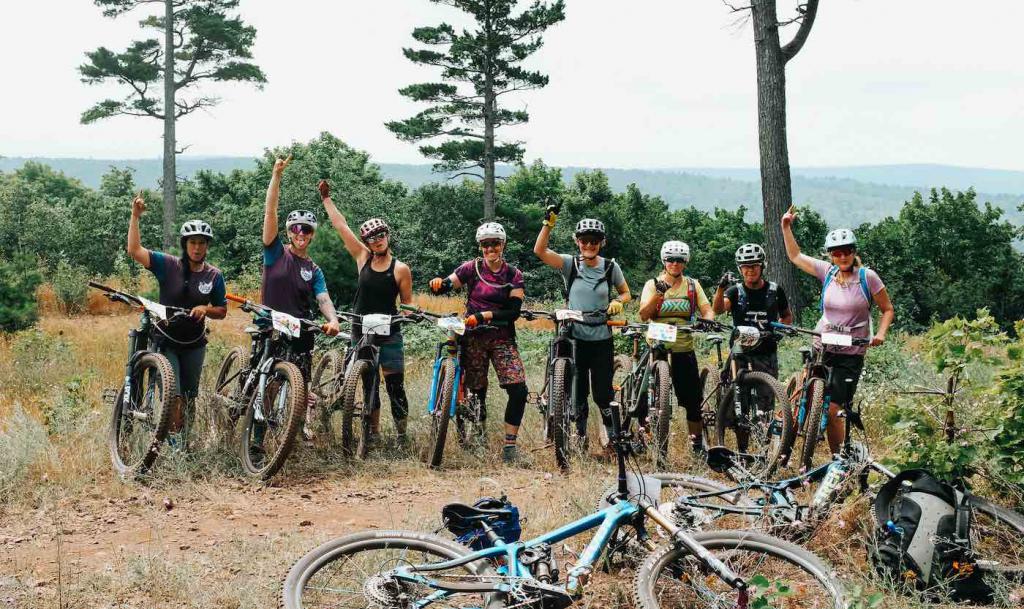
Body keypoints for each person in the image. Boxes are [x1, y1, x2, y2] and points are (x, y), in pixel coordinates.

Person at [781, 205, 895, 455]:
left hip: (851, 352)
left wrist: (880, 334)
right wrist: (786, 227)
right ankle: (791, 427)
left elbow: (887, 309)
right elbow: (795, 257)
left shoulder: (868, 277)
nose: (842, 257)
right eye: (837, 253)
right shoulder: (828, 272)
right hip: (823, 343)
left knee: (833, 409)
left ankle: (837, 458)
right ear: (831, 255)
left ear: (854, 253)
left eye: (847, 252)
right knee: (809, 394)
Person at [319, 179, 413, 446]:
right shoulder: (362, 258)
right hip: (361, 327)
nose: (377, 240)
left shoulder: (401, 269)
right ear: (367, 242)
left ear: (388, 236)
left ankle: (401, 435)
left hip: (389, 330)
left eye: (381, 235)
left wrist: (409, 313)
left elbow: (406, 303)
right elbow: (341, 227)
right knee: (369, 382)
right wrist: (327, 200)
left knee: (395, 385)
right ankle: (372, 434)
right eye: (372, 238)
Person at [126, 192, 227, 441]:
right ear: (185, 244)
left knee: (190, 397)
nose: (197, 247)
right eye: (192, 242)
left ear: (207, 246)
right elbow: (134, 250)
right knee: (175, 395)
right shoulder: (168, 265)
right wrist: (135, 217)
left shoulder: (214, 276)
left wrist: (206, 309)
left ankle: (183, 443)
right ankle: (174, 446)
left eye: (202, 243)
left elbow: (222, 310)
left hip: (194, 343)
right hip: (166, 339)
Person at [429, 222, 528, 464]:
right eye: (486, 244)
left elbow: (513, 311)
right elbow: (448, 284)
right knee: (477, 390)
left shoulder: (513, 275)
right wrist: (437, 284)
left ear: (503, 245)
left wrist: (485, 315)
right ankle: (479, 432)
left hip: (502, 337)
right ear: (480, 246)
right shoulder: (470, 268)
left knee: (518, 389)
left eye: (495, 243)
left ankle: (509, 446)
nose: (490, 248)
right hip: (473, 337)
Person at [533, 205, 630, 447]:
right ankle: (580, 435)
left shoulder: (610, 267)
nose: (589, 245)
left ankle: (613, 437)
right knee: (577, 390)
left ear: (602, 243)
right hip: (575, 336)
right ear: (577, 242)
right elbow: (540, 251)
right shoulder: (570, 265)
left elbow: (626, 292)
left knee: (602, 392)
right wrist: (548, 224)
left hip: (601, 337)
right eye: (584, 241)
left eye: (594, 242)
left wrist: (618, 301)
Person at [261, 155, 341, 446]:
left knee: (299, 386)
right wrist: (277, 176)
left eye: (306, 230)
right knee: (267, 382)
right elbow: (269, 213)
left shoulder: (314, 269)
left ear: (312, 235)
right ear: (288, 232)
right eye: (296, 228)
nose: (301, 234)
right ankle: (258, 438)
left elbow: (323, 299)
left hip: (301, 331)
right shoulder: (275, 254)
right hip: (270, 326)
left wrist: (332, 319)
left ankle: (293, 433)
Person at [638, 240, 715, 454]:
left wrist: (707, 319)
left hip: (683, 345)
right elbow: (644, 314)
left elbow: (707, 309)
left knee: (692, 398)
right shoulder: (652, 284)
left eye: (679, 260)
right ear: (664, 261)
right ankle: (642, 435)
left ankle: (697, 444)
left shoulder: (692, 285)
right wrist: (659, 294)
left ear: (685, 262)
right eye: (670, 259)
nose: (675, 263)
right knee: (645, 395)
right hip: (657, 344)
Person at [712, 243, 794, 378]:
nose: (750, 269)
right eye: (745, 266)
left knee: (766, 395)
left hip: (766, 351)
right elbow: (718, 309)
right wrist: (721, 288)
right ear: (740, 269)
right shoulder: (735, 291)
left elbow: (786, 315)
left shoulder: (775, 290)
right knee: (735, 392)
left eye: (754, 265)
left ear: (762, 266)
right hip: (740, 349)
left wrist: (780, 331)